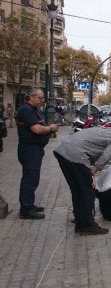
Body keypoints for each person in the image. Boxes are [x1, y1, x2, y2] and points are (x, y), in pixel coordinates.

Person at [53, 125, 111, 235]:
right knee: (87, 192)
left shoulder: (105, 130)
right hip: (76, 156)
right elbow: (106, 155)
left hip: (62, 152)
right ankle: (86, 225)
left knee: (77, 191)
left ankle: (80, 219)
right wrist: (93, 172)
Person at [15, 88, 60, 219]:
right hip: (29, 150)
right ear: (31, 97)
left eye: (43, 98)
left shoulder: (34, 110)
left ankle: (29, 204)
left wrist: (49, 128)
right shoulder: (26, 110)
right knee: (29, 179)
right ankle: (26, 210)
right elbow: (37, 129)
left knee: (33, 178)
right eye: (40, 98)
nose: (42, 101)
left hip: (35, 149)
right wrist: (50, 128)